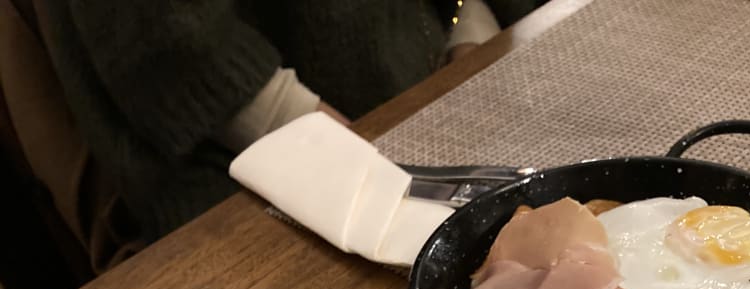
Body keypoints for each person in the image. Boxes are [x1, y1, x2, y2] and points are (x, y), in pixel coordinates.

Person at [32, 1, 546, 249]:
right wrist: (364, 159)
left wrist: (472, 35)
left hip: (443, 100)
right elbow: (167, 42)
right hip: (245, 181)